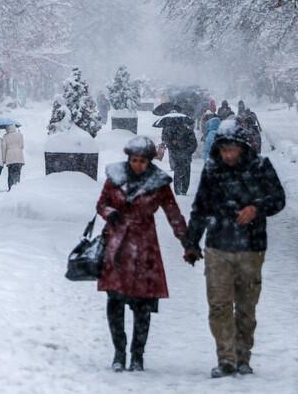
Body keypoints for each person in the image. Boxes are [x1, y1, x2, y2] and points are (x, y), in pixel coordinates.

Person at [183, 121, 285, 378]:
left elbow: (278, 199)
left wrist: (256, 208)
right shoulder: (212, 170)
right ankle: (226, 358)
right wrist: (191, 243)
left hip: (251, 247)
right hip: (218, 246)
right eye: (224, 150)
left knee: (246, 307)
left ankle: (243, 356)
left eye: (232, 150)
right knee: (219, 305)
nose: (228, 155)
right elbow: (200, 208)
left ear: (242, 148)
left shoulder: (260, 167)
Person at [96, 136, 187, 372]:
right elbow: (101, 204)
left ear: (149, 161)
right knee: (115, 301)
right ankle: (118, 352)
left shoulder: (158, 182)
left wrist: (187, 240)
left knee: (143, 305)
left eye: (143, 161)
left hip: (145, 247)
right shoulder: (115, 178)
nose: (138, 164)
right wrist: (110, 213)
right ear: (128, 159)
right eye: (134, 160)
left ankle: (137, 355)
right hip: (118, 247)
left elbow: (172, 212)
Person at [161, 122, 197, 195]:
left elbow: (194, 144)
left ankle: (184, 190)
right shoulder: (172, 131)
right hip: (177, 156)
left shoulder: (189, 132)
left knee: (186, 173)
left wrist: (187, 151)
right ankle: (177, 190)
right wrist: (172, 143)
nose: (181, 125)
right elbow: (168, 143)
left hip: (186, 156)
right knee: (177, 173)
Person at [2, 125, 24, 190]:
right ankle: (17, 187)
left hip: (10, 157)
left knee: (10, 174)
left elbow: (4, 148)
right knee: (18, 173)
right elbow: (22, 146)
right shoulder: (20, 135)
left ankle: (10, 188)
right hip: (19, 157)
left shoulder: (5, 136)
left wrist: (3, 159)